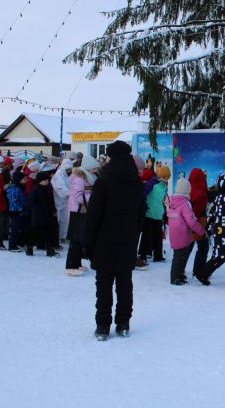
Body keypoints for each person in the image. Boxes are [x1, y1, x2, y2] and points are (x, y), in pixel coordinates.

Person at [84, 141, 145, 341]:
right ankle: (123, 323)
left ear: (111, 157)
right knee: (124, 283)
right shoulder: (136, 182)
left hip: (104, 240)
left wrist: (88, 242)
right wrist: (134, 234)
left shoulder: (104, 180)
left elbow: (93, 215)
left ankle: (103, 325)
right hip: (127, 240)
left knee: (103, 284)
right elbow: (140, 214)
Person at [196, 173, 225, 286]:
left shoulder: (217, 199)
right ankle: (203, 274)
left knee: (224, 255)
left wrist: (208, 229)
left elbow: (211, 215)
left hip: (220, 233)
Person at [168, 176, 205, 285]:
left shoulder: (173, 202)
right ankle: (175, 278)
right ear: (188, 190)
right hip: (183, 234)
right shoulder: (185, 204)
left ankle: (178, 275)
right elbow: (191, 221)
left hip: (174, 234)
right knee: (181, 258)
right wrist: (201, 230)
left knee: (178, 256)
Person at [66, 156, 99, 275]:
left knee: (81, 238)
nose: (96, 171)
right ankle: (71, 265)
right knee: (76, 239)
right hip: (77, 211)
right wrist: (94, 196)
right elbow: (78, 197)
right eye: (94, 169)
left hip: (84, 210)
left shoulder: (90, 177)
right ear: (89, 167)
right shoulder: (78, 178)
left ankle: (77, 263)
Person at [137, 165, 170, 266]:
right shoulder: (152, 183)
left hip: (158, 213)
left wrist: (164, 211)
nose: (166, 179)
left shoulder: (165, 186)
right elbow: (144, 194)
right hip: (149, 213)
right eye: (165, 177)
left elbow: (163, 199)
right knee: (147, 235)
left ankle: (158, 255)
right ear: (160, 176)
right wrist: (144, 206)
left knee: (158, 236)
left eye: (167, 178)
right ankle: (143, 255)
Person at [29, 171, 58, 257]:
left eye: (47, 180)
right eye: (44, 180)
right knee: (35, 232)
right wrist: (39, 209)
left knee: (49, 232)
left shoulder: (48, 188)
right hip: (38, 215)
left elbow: (51, 200)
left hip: (48, 214)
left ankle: (50, 250)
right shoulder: (35, 189)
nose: (46, 182)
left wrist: (54, 209)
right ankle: (29, 247)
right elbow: (31, 202)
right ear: (39, 181)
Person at [188, 168, 210, 278]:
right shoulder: (201, 193)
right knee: (203, 247)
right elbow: (198, 211)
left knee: (187, 247)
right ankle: (198, 270)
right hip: (198, 223)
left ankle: (179, 270)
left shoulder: (188, 190)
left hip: (187, 222)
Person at [7, 171, 30, 254]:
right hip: (16, 212)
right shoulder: (14, 189)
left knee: (24, 228)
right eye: (24, 179)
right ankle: (12, 245)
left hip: (23, 212)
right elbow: (14, 201)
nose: (26, 181)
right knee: (15, 230)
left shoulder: (21, 188)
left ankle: (20, 242)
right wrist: (20, 208)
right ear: (18, 180)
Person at [51, 159, 74, 244]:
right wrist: (68, 194)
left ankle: (63, 236)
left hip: (65, 201)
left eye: (70, 169)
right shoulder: (59, 175)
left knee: (65, 219)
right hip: (58, 201)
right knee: (58, 220)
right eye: (68, 169)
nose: (69, 171)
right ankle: (57, 236)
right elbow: (60, 187)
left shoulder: (66, 175)